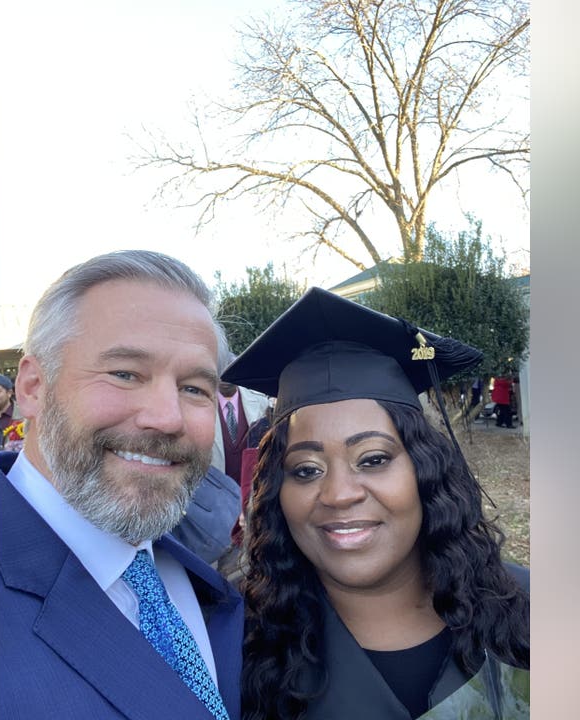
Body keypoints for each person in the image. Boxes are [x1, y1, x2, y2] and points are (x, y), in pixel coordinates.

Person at [223, 287, 529, 720]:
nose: (339, 494)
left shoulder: (536, 610)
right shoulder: (235, 648)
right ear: (277, 492)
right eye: (306, 469)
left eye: (373, 459)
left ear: (426, 471)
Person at [0, 250, 242, 720]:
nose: (167, 418)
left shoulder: (197, 581)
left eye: (194, 388)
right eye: (124, 374)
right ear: (33, 387)